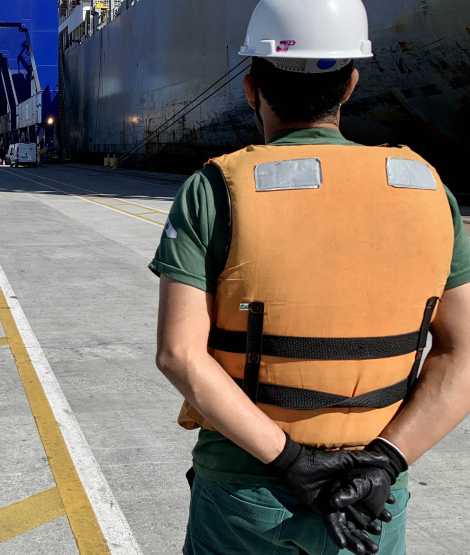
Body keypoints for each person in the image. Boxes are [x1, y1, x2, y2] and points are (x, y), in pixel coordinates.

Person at [150, 1, 470, 553]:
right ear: (351, 85)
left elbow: (179, 355)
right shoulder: (430, 192)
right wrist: (384, 462)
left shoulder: (215, 190)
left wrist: (294, 462)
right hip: (370, 497)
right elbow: (462, 355)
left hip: (249, 494)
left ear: (251, 87)